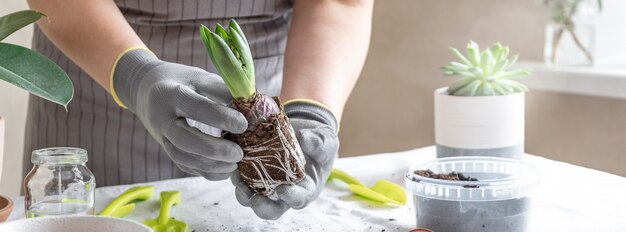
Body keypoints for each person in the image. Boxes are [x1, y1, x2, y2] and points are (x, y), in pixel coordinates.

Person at [24, 0, 373, 219]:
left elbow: (341, 2)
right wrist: (134, 77)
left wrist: (311, 112)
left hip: (262, 106)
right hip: (99, 90)